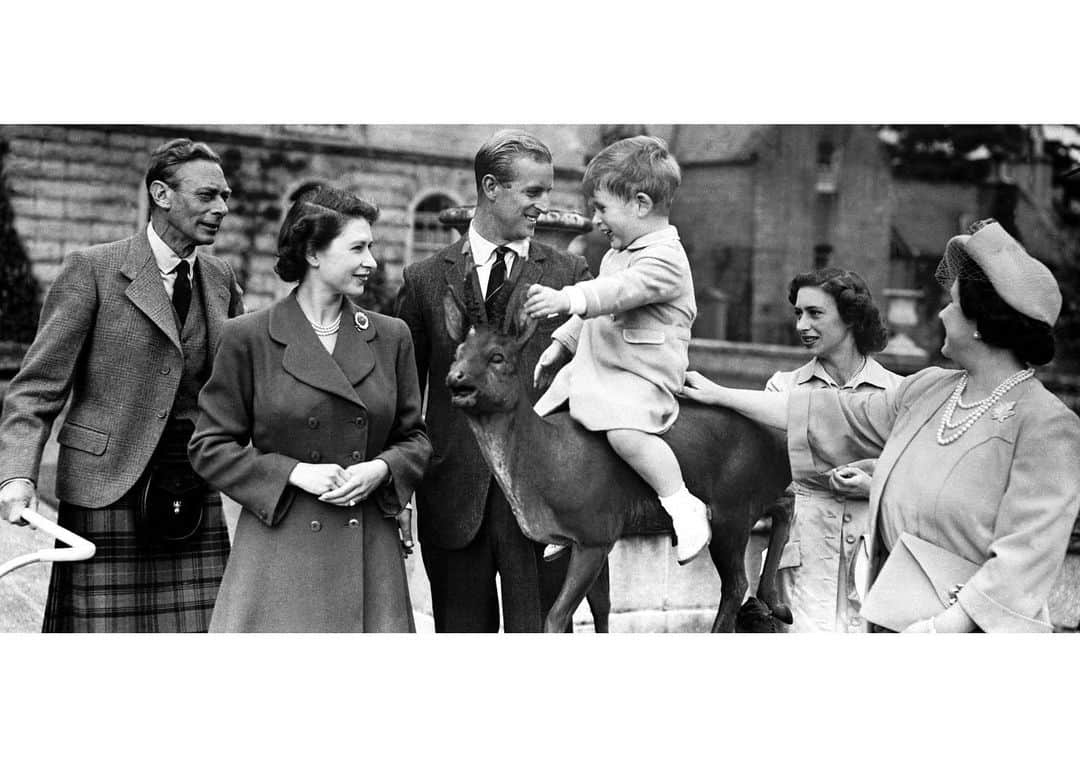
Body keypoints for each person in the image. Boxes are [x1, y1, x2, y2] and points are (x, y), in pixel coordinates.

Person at [683, 219, 1080, 632]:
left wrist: (936, 632)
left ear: (982, 323)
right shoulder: (929, 390)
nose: (943, 312)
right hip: (892, 618)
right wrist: (718, 394)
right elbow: (825, 415)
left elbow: (1023, 564)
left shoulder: (1048, 426)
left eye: (954, 303)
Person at [0, 138, 244, 632]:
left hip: (190, 486)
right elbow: (36, 389)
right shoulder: (92, 269)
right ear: (161, 194)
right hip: (104, 488)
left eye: (225, 196)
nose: (221, 208)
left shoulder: (220, 279)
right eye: (206, 196)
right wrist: (17, 476)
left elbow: (240, 387)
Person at [189, 186, 430, 632]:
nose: (371, 261)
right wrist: (293, 473)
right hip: (282, 549)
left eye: (371, 247)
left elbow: (415, 438)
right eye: (357, 247)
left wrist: (381, 468)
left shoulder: (391, 336)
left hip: (369, 551)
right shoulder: (249, 336)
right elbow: (209, 446)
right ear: (314, 253)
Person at [394, 130, 593, 633]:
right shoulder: (424, 279)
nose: (542, 207)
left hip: (547, 505)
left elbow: (589, 387)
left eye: (545, 193)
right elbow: (404, 397)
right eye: (533, 193)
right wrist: (399, 493)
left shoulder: (571, 274)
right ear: (491, 187)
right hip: (452, 497)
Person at [527, 135, 710, 565]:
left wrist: (568, 298)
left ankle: (682, 504)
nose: (595, 220)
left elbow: (616, 293)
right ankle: (572, 514)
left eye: (602, 209)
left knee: (624, 434)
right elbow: (599, 312)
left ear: (641, 205)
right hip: (600, 368)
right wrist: (562, 342)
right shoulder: (618, 251)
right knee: (542, 424)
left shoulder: (665, 259)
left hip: (640, 374)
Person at [763, 268, 902, 633]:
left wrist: (874, 487)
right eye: (798, 313)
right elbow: (774, 475)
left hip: (875, 555)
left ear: (851, 317)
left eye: (815, 313)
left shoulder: (899, 393)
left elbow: (920, 483)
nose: (801, 325)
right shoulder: (782, 389)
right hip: (803, 556)